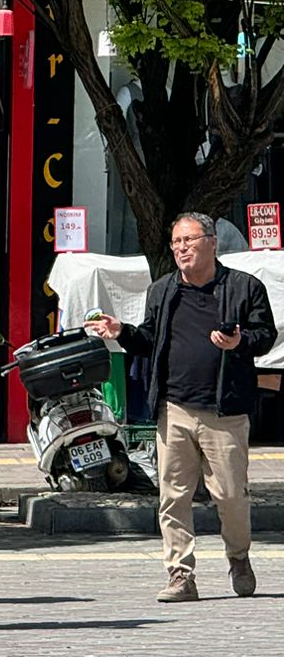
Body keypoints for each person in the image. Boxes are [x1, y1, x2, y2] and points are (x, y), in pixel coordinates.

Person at [86, 212, 275, 601]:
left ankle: (238, 557)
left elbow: (265, 335)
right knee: (172, 495)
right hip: (174, 408)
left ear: (211, 242)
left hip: (225, 410)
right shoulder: (163, 290)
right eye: (175, 243)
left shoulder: (244, 287)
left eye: (188, 240)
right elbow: (151, 339)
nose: (181, 249)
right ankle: (180, 574)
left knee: (230, 495)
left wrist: (239, 342)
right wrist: (123, 332)